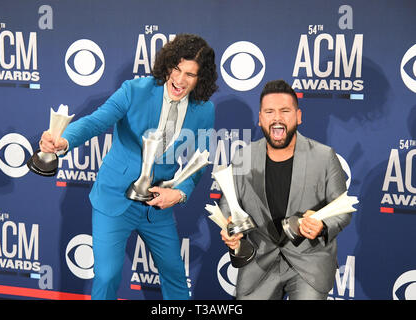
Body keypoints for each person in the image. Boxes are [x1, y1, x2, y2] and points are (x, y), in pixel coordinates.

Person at [39, 34, 218, 300]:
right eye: (177, 69)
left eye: (190, 74)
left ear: (200, 78)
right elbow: (96, 121)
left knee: (176, 276)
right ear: (168, 64)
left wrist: (178, 193)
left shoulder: (204, 110)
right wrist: (64, 139)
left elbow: (198, 162)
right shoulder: (135, 90)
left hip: (156, 206)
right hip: (115, 198)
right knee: (107, 275)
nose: (179, 80)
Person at [219, 79, 351, 300]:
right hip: (259, 262)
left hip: (309, 262)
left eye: (285, 111)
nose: (277, 118)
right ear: (260, 119)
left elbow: (343, 209)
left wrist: (322, 225)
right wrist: (229, 226)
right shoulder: (244, 156)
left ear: (298, 116)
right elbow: (227, 203)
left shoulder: (324, 156)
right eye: (269, 112)